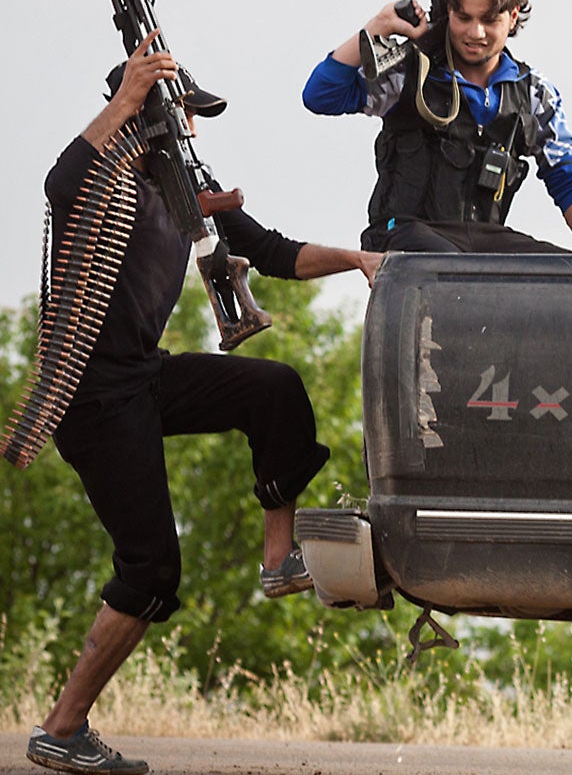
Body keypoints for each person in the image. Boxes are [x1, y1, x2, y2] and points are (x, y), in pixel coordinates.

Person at [26, 38, 380, 775]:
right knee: (152, 571)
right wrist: (126, 97)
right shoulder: (108, 179)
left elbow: (276, 252)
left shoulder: (181, 189)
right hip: (93, 395)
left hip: (142, 377)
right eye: (182, 109)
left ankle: (278, 560)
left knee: (273, 389)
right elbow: (59, 185)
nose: (193, 125)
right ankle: (63, 728)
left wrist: (357, 259)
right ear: (147, 116)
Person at [303, 0, 572, 256]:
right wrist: (377, 26)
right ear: (449, 12)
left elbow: (567, 176)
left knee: (566, 273)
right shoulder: (411, 75)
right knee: (452, 266)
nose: (475, 33)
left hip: (484, 241)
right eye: (464, 18)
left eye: (489, 20)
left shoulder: (534, 94)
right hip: (404, 234)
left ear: (513, 16)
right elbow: (320, 95)